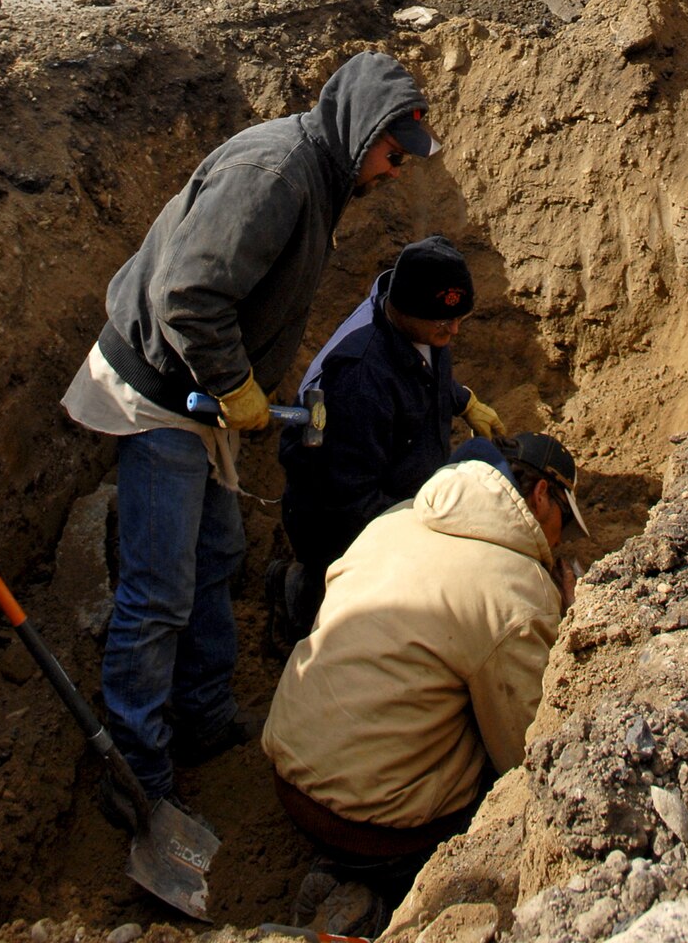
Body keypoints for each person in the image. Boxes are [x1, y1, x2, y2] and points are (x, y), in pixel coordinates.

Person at [61, 49, 439, 817]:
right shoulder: (274, 175)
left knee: (221, 555)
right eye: (393, 155)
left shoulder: (324, 173)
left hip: (199, 392)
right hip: (162, 393)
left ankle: (201, 717)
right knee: (157, 590)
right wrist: (235, 384)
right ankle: (137, 774)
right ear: (361, 131)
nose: (396, 171)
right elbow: (189, 294)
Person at [264, 433, 586, 930]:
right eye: (564, 520)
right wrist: (568, 629)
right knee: (494, 774)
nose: (561, 539)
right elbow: (526, 753)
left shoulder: (395, 521)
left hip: (288, 774)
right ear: (541, 495)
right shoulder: (517, 592)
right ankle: (377, 900)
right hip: (373, 826)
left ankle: (337, 871)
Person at [275, 234, 504, 641]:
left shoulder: (418, 326)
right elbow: (349, 504)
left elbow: (420, 372)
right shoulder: (359, 378)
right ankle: (302, 598)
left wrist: (460, 399)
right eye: (442, 321)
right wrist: (427, 535)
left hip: (401, 488)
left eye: (459, 319)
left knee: (484, 457)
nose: (453, 329)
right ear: (404, 308)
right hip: (343, 526)